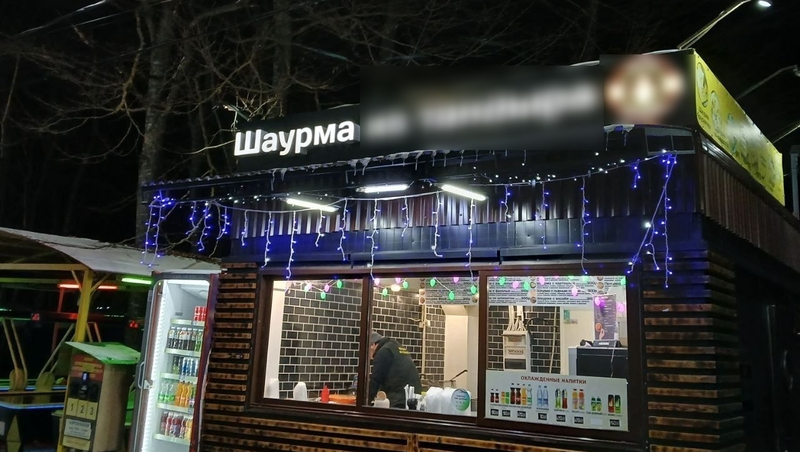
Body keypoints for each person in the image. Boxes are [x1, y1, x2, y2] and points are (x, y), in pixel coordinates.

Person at [368, 331, 421, 409]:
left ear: (373, 345)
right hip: (413, 396)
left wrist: (365, 403)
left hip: (399, 400)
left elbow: (376, 380)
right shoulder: (394, 346)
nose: (369, 356)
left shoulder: (383, 351)